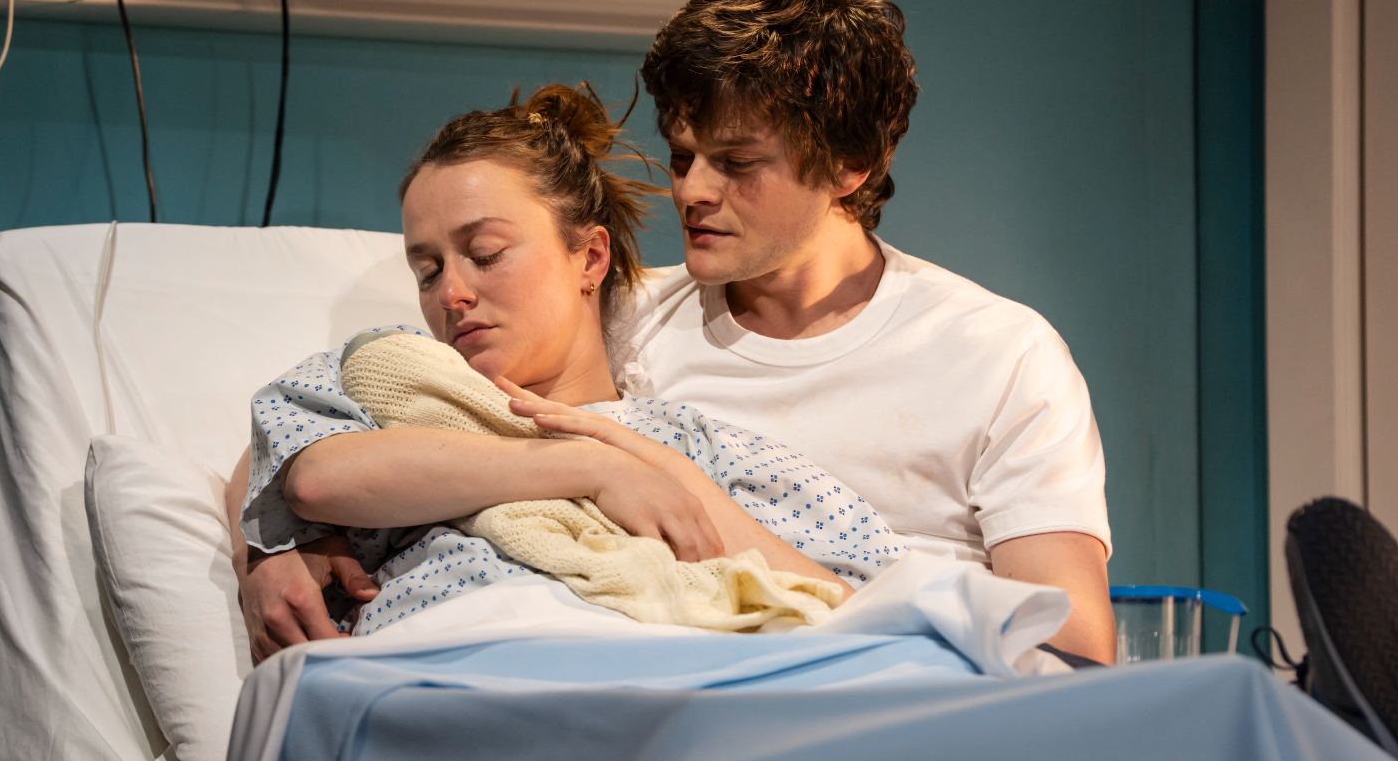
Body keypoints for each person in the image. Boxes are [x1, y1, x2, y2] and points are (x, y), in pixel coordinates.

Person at [236, 0, 1116, 664]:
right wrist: (269, 555)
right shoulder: (618, 311)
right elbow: (305, 438)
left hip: (896, 692)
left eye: (737, 162)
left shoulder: (997, 356)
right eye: (684, 154)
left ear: (850, 164)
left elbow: (1071, 650)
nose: (691, 191)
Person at [230, 85, 904, 651]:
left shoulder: (689, 445)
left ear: (590, 257)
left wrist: (668, 478)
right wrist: (591, 468)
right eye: (427, 271)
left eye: (486, 254)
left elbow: (871, 617)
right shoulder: (392, 377)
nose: (451, 293)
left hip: (641, 694)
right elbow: (310, 478)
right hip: (429, 682)